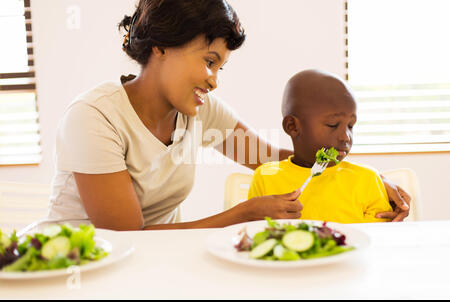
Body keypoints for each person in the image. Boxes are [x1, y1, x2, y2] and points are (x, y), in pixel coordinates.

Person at [48, 0, 409, 231]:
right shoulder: (94, 119)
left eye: (220, 67)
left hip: (155, 261)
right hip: (77, 266)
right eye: (209, 62)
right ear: (161, 46)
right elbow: (127, 236)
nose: (214, 80)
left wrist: (370, 178)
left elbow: (277, 159)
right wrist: (244, 213)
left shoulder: (199, 111)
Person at [248, 69, 409, 223]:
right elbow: (255, 233)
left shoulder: (368, 180)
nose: (346, 136)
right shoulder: (265, 177)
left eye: (351, 126)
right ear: (292, 127)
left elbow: (375, 241)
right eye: (333, 125)